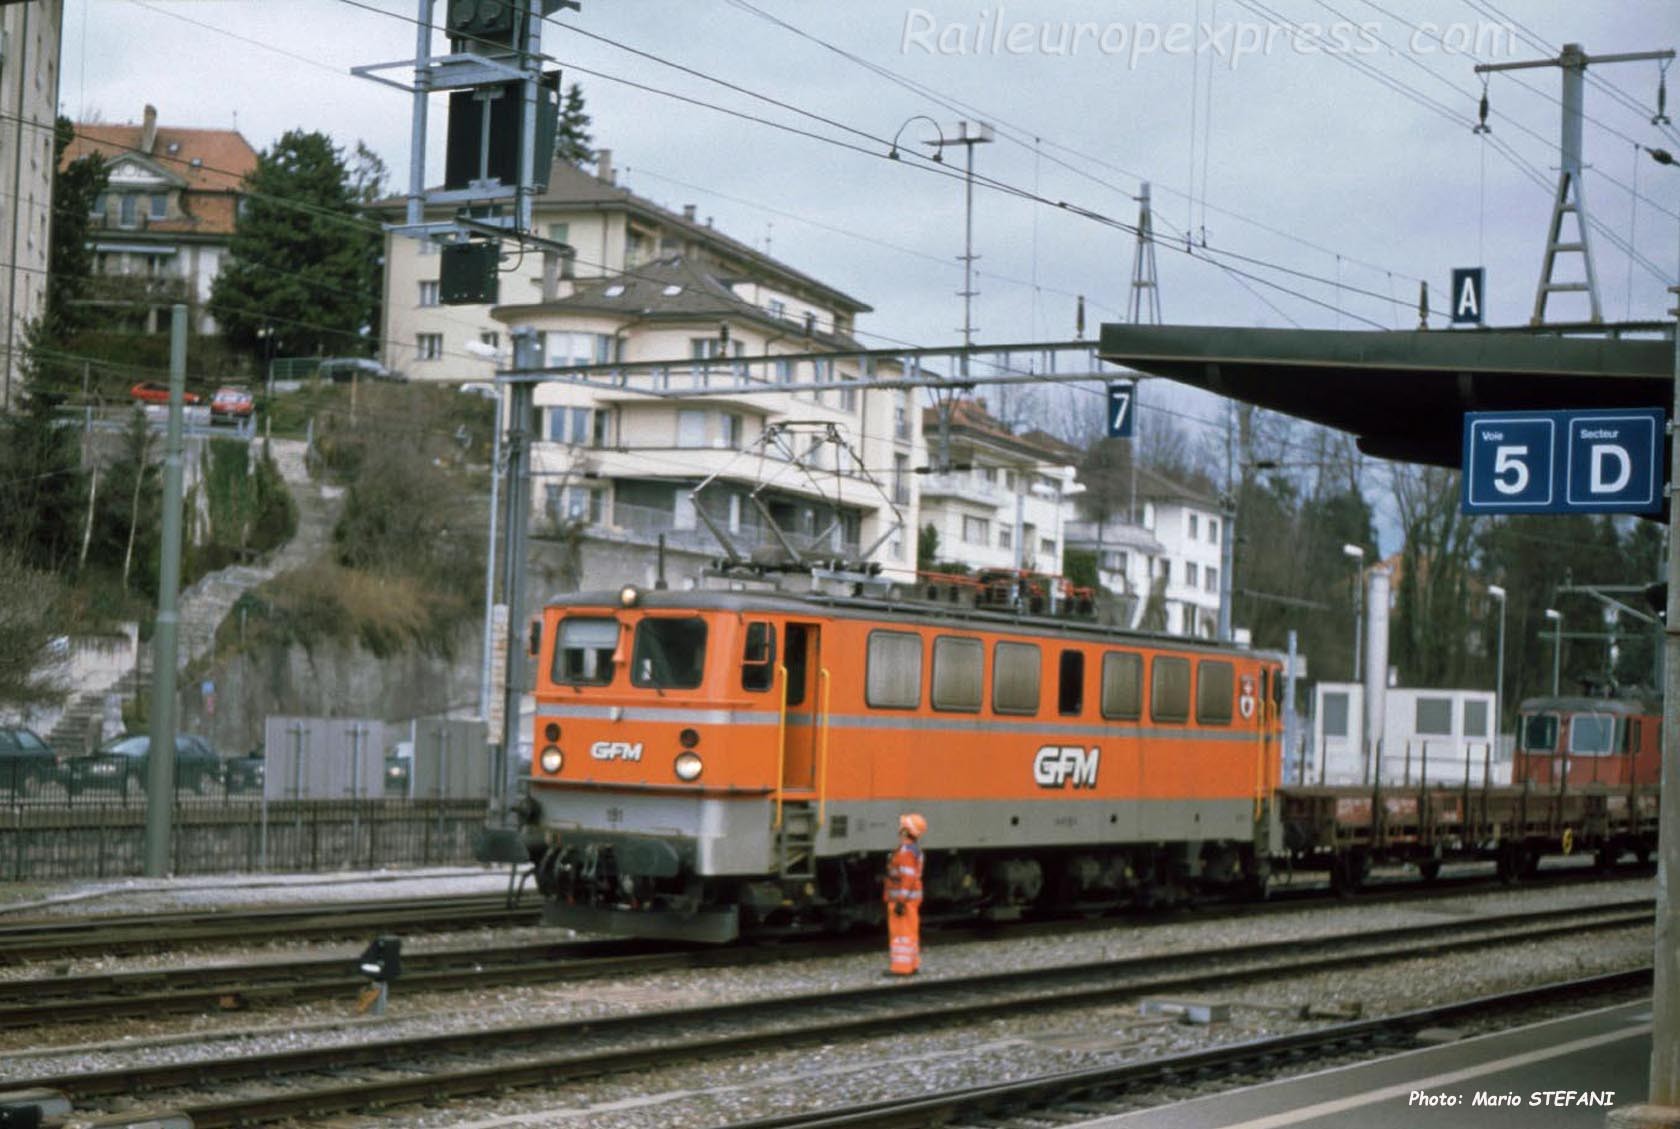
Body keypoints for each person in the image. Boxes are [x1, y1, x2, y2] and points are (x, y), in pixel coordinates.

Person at [883, 812, 926, 975]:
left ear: (906, 831)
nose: (899, 831)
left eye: (902, 828)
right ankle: (912, 964)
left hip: (902, 900)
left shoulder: (906, 852)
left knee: (901, 934)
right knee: (910, 932)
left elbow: (907, 878)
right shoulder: (913, 850)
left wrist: (900, 900)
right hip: (910, 900)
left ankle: (901, 968)